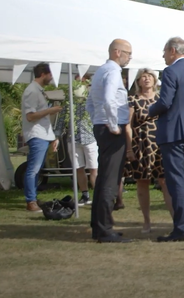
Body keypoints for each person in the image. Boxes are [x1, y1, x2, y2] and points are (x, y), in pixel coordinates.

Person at [149, 37, 184, 242]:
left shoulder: (171, 71)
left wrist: (149, 110)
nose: (163, 55)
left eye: (164, 51)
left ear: (173, 50)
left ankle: (182, 228)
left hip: (174, 131)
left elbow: (165, 102)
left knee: (177, 180)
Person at [86, 40, 133, 243]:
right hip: (111, 129)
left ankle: (99, 226)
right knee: (109, 180)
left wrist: (98, 120)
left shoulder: (100, 71)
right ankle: (104, 229)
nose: (130, 57)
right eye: (128, 53)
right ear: (117, 52)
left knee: (105, 176)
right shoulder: (113, 71)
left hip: (100, 126)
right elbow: (108, 98)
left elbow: (90, 102)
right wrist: (113, 124)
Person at [124, 68, 173, 234]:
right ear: (138, 81)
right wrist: (129, 148)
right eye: (143, 77)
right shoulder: (132, 100)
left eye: (149, 77)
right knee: (142, 182)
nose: (146, 79)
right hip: (141, 145)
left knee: (165, 181)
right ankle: (146, 221)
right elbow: (128, 126)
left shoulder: (161, 99)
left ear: (154, 80)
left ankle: (175, 219)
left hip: (160, 144)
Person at [21, 63, 62, 212]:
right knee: (33, 169)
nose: (52, 78)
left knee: (36, 170)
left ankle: (33, 197)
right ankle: (30, 201)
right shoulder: (32, 91)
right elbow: (30, 116)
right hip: (36, 134)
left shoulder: (38, 91)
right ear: (43, 74)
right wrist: (50, 110)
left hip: (42, 134)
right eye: (51, 74)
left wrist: (51, 136)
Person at [54, 74, 96, 206]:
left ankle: (99, 196)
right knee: (79, 168)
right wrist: (57, 137)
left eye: (81, 81)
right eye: (76, 81)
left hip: (90, 138)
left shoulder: (92, 100)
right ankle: (84, 194)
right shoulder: (69, 102)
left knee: (94, 168)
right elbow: (61, 121)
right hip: (73, 139)